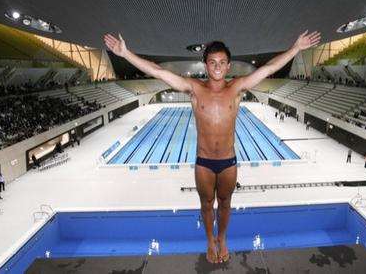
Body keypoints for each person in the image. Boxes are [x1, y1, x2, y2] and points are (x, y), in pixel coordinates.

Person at [104, 30, 321, 263]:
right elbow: (159, 71)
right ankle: (209, 239)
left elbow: (267, 69)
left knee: (226, 204)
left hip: (228, 162)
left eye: (222, 62)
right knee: (206, 205)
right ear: (206, 65)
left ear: (228, 66)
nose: (217, 66)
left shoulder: (236, 88)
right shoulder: (195, 89)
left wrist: (296, 48)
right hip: (204, 163)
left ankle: (223, 237)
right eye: (212, 62)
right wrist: (125, 53)